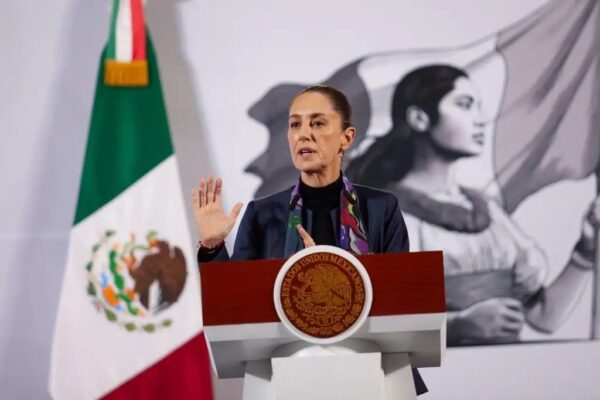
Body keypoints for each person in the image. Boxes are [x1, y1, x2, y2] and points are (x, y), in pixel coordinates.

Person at [191, 84, 427, 395]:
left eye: (317, 123)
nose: (303, 134)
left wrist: (326, 274)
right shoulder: (263, 214)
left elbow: (400, 304)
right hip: (285, 377)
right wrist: (212, 246)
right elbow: (235, 309)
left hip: (370, 374)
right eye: (295, 124)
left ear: (347, 138)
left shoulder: (380, 208)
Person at [346, 64, 600, 346]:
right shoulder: (387, 214)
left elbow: (544, 316)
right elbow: (372, 333)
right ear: (419, 118)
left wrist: (585, 251)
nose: (480, 120)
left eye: (478, 106)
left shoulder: (488, 212)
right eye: (465, 105)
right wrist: (458, 326)